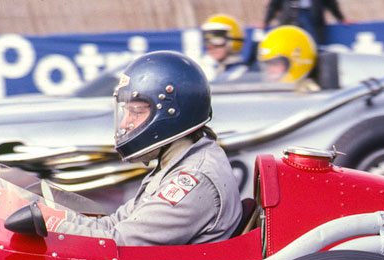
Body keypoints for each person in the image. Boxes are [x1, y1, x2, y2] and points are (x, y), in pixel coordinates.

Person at [45, 51, 241, 246]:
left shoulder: (194, 180)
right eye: (126, 111)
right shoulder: (176, 162)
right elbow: (114, 224)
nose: (124, 123)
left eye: (136, 111)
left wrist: (52, 227)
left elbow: (117, 244)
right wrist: (52, 219)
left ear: (174, 112)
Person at [257, 25, 319, 91]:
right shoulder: (267, 91)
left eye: (275, 64)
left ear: (297, 61)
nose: (269, 70)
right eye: (267, 65)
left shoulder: (309, 93)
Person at [263, 0, 346, 46]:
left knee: (312, 45)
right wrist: (265, 22)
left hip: (312, 17)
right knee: (289, 45)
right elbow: (274, 5)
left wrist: (341, 19)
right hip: (290, 19)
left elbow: (330, 3)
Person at [200, 14, 249, 82]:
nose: (211, 47)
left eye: (216, 41)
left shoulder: (243, 72)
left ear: (232, 42)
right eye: (207, 42)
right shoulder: (201, 70)